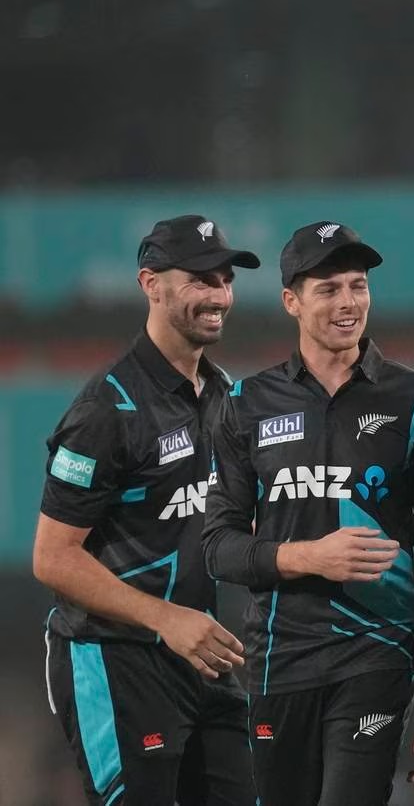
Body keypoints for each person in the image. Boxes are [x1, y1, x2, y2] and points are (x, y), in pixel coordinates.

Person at [202, 221, 414, 805]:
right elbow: (217, 548)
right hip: (278, 661)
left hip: (378, 652)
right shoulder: (245, 406)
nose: (348, 302)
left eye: (358, 286)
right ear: (291, 302)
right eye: (329, 289)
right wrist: (309, 557)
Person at [33, 215, 258, 805]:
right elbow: (53, 559)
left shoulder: (223, 393)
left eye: (225, 280)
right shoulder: (107, 409)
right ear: (151, 284)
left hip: (200, 656)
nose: (219, 296)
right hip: (114, 661)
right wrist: (165, 618)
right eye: (200, 280)